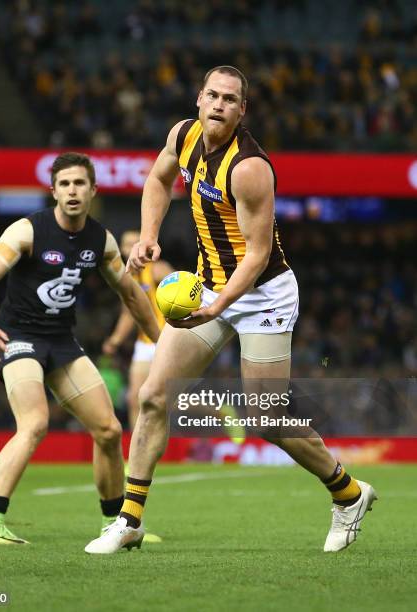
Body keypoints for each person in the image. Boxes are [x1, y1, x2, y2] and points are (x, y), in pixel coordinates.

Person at [84, 66, 377, 555]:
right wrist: (150, 237)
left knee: (265, 418)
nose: (219, 105)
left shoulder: (250, 168)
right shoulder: (183, 135)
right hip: (208, 286)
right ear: (199, 99)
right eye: (213, 95)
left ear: (243, 111)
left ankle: (347, 494)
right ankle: (128, 519)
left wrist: (218, 305)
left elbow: (258, 255)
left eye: (231, 99)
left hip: (262, 294)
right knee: (154, 396)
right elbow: (157, 181)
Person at [0, 152, 160, 545]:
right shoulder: (26, 231)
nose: (72, 191)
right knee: (35, 422)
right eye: (65, 184)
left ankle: (117, 524)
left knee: (108, 430)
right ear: (53, 191)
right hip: (17, 336)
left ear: (93, 190)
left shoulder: (101, 240)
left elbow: (132, 295)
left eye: (80, 184)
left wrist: (163, 341)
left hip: (61, 341)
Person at [102, 229, 173, 430]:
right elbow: (129, 314)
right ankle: (136, 454)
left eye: (136, 243)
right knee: (135, 397)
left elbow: (185, 296)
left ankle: (219, 411)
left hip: (167, 341)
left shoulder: (159, 269)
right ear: (123, 249)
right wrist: (115, 340)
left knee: (173, 399)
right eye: (127, 244)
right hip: (144, 343)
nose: (132, 248)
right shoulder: (128, 277)